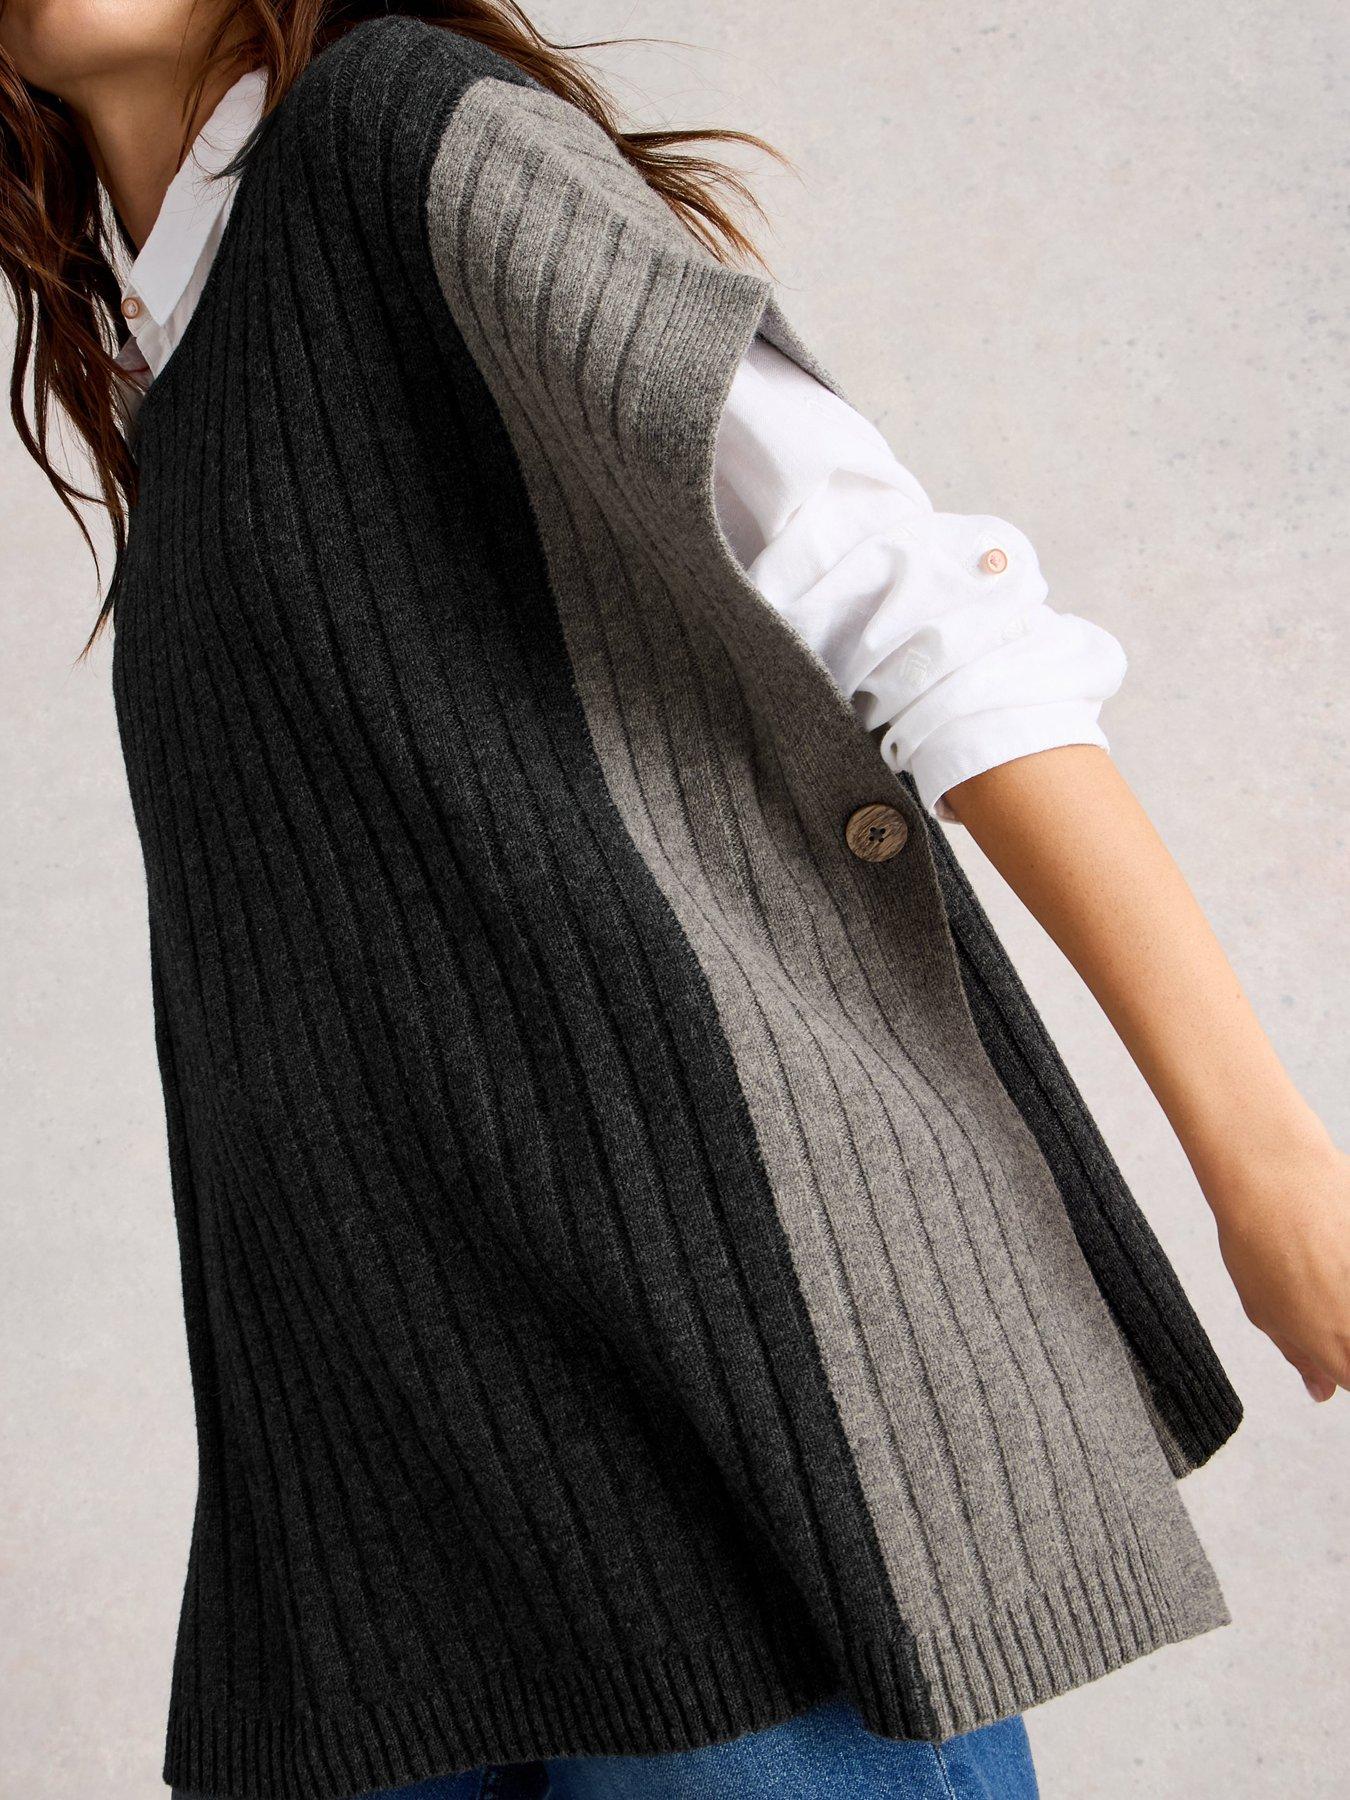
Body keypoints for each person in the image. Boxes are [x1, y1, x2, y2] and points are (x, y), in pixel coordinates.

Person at [2, 5, 1346, 1798]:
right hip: (374, 1511)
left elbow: (911, 605)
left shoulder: (397, 135)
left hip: (710, 1423)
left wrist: (1265, 1164)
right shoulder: (178, 354)